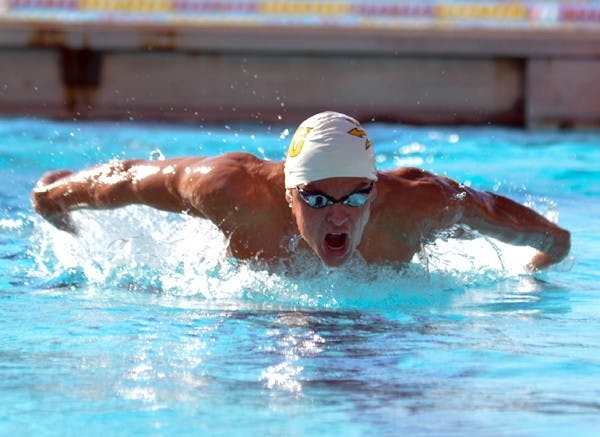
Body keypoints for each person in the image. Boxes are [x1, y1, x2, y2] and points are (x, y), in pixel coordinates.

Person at [31, 111, 570, 271]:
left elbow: (503, 216)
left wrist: (551, 248)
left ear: (376, 192)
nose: (339, 216)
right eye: (316, 198)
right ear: (287, 194)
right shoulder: (229, 190)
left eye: (356, 196)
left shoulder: (418, 204)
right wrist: (57, 196)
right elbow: (128, 179)